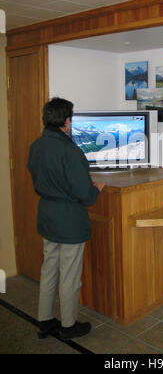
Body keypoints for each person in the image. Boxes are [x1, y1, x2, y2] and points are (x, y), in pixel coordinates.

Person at [28, 97, 105, 341]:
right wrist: (97, 189)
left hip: (48, 216)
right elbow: (85, 194)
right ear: (67, 121)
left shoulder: (37, 146)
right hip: (69, 220)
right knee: (70, 275)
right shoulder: (71, 151)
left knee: (49, 269)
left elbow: (41, 179)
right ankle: (69, 326)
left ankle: (45, 321)